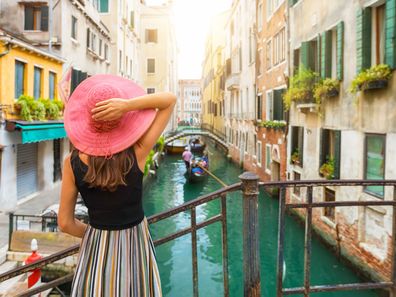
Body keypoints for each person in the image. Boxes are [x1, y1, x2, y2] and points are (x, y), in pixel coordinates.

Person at [58, 74, 176, 297]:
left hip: (96, 247)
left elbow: (65, 223)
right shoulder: (138, 152)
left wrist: (95, 234)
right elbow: (169, 100)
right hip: (135, 244)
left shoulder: (70, 163)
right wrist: (127, 105)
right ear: (121, 120)